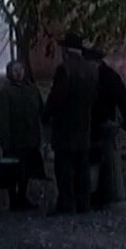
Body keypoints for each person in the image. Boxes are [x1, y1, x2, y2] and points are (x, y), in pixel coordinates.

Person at [42, 32, 99, 214]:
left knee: (64, 167)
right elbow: (94, 97)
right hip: (84, 125)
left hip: (65, 127)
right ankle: (84, 203)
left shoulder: (64, 69)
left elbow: (57, 98)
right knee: (82, 166)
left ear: (66, 50)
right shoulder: (91, 69)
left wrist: (45, 115)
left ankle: (66, 204)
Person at [83, 46, 126, 209]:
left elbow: (123, 98)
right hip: (94, 124)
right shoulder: (101, 75)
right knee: (97, 161)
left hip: (101, 123)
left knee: (103, 161)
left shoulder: (107, 76)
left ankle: (104, 196)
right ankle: (99, 196)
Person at [0, 61, 45, 211]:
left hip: (30, 137)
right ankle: (13, 199)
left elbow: (40, 110)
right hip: (14, 139)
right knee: (12, 170)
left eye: (20, 69)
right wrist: (5, 140)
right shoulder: (5, 93)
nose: (18, 73)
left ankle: (22, 196)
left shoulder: (31, 90)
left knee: (27, 170)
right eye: (15, 70)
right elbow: (2, 119)